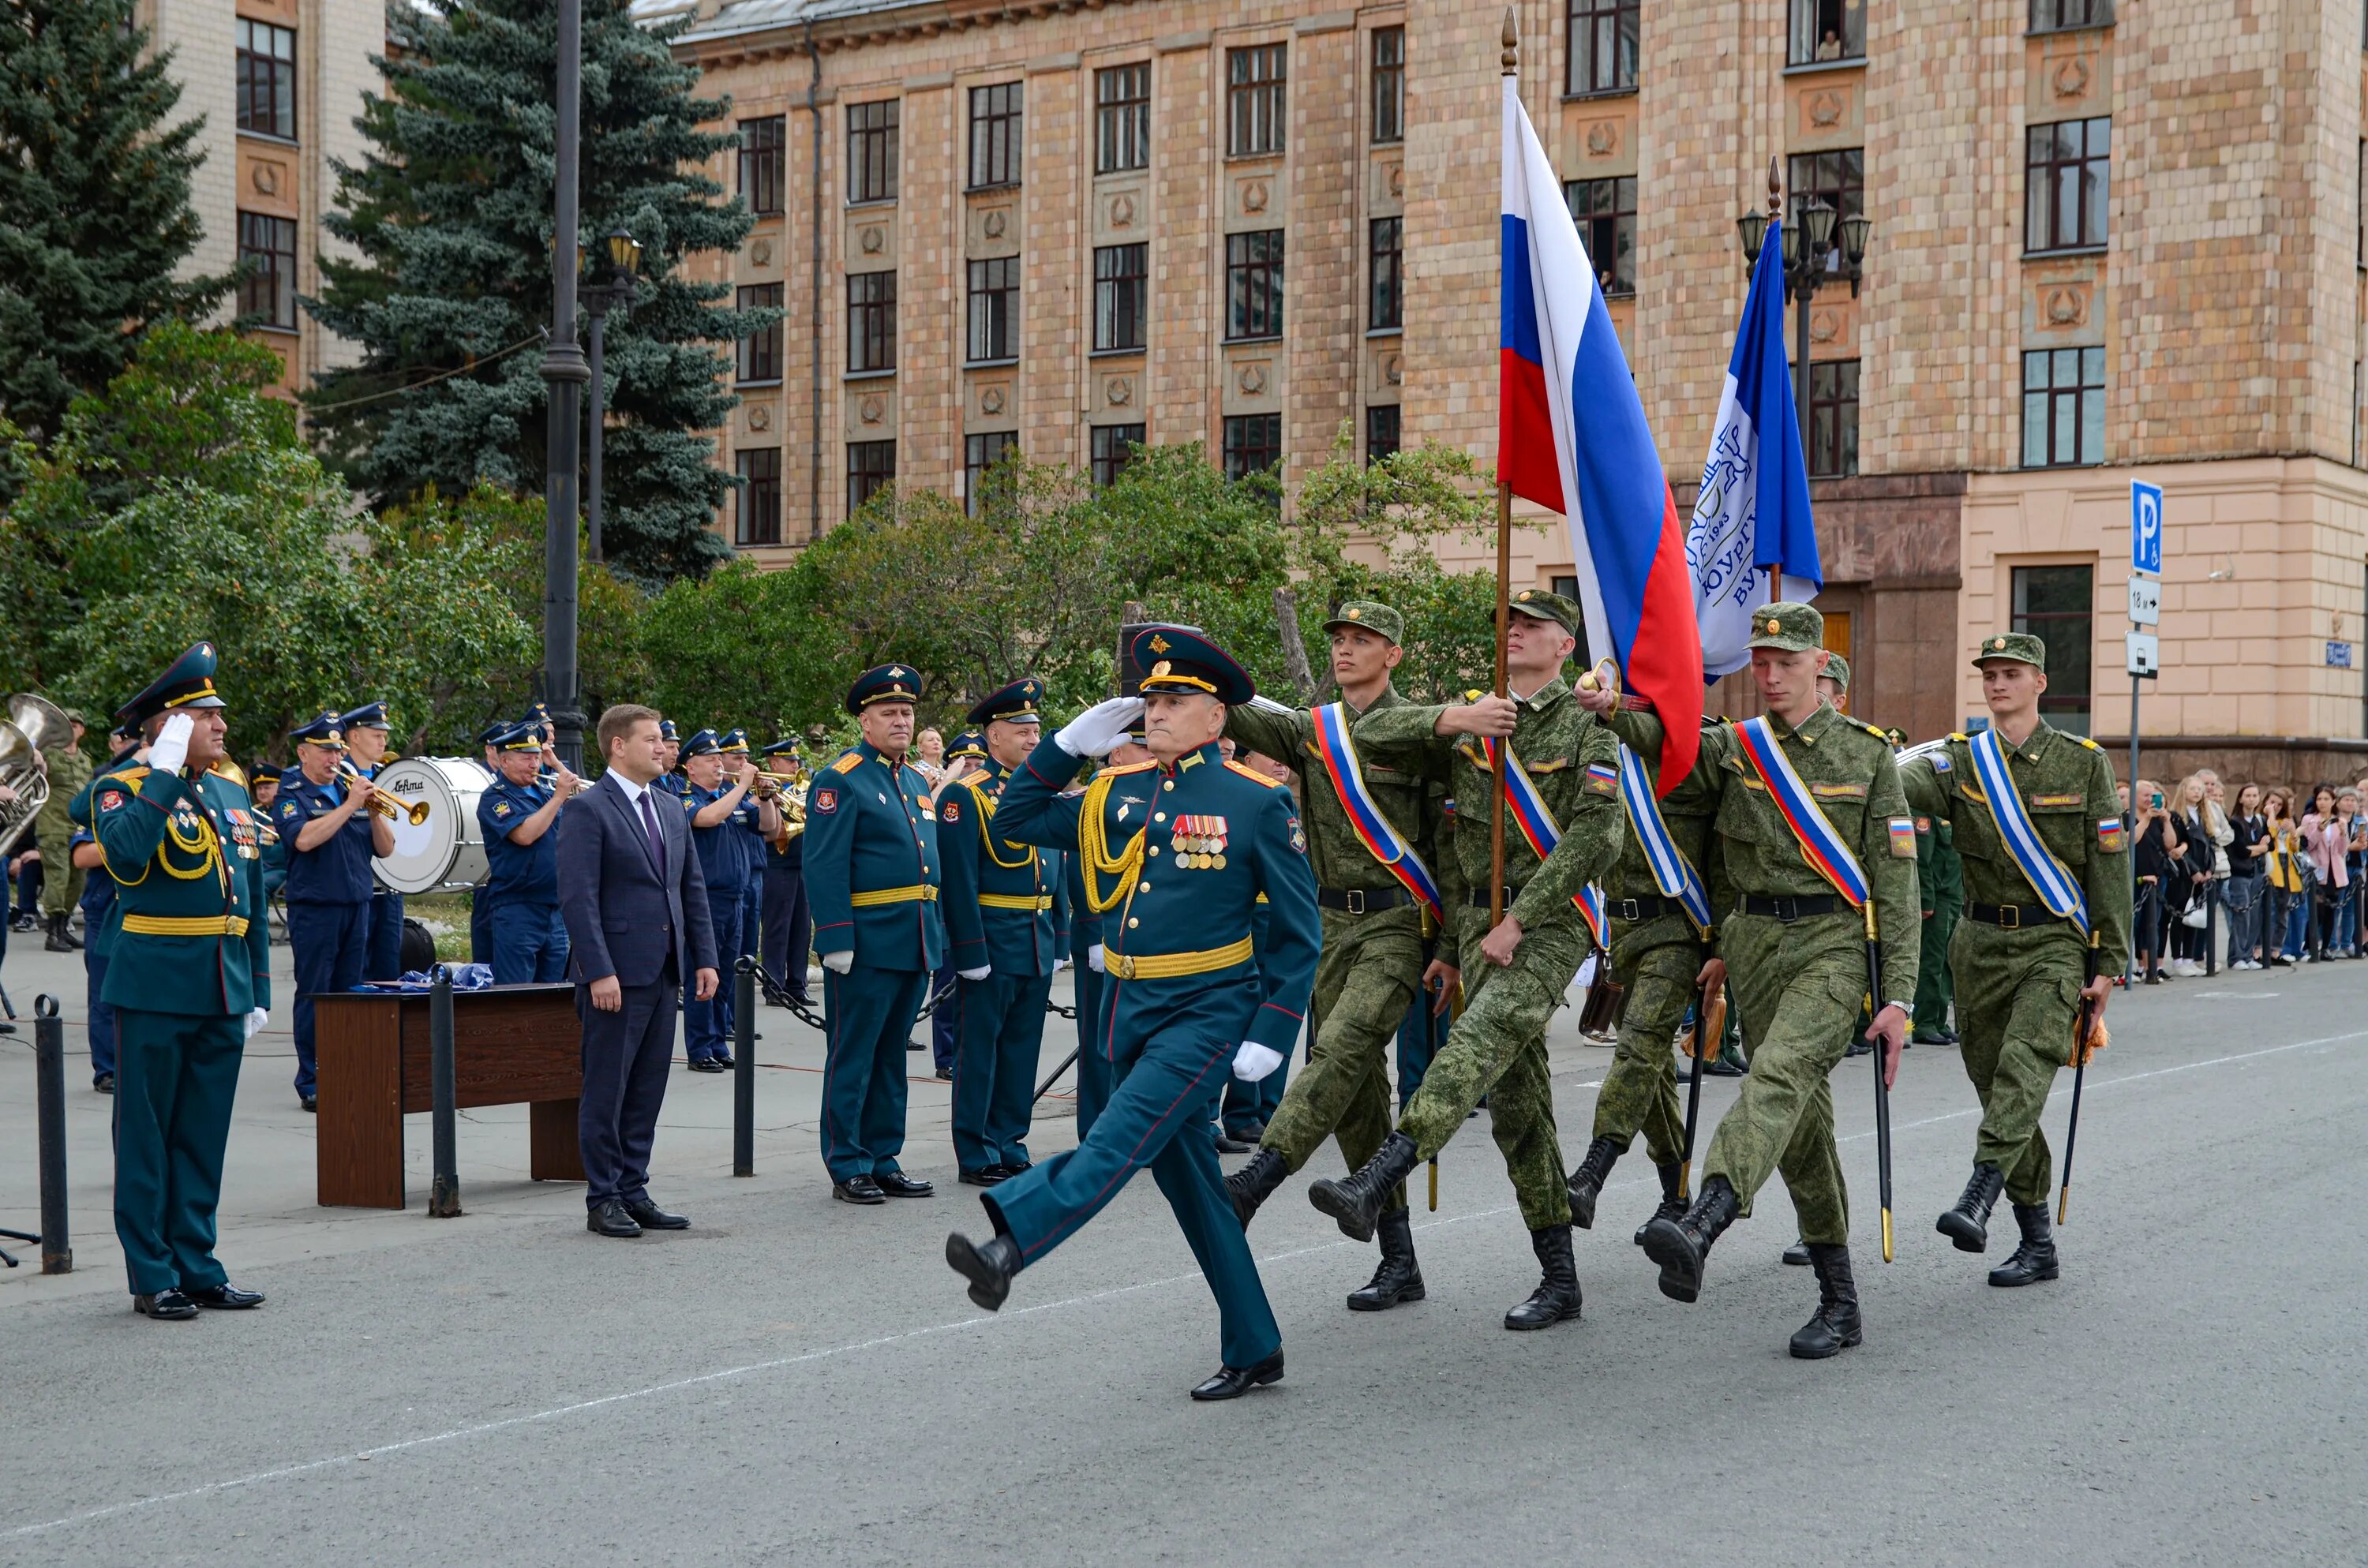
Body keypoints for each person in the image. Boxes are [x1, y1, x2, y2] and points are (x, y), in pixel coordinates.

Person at [943, 627, 1320, 1400]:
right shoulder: (1117, 791)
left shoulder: (1256, 803)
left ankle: (1009, 1248)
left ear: (1217, 718)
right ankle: (1256, 1345)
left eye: (1175, 700)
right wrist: (1065, 746)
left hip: (1209, 1014)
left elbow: (1297, 930)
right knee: (1199, 1198)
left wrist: (1272, 1030)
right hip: (1131, 1009)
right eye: (1149, 699)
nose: (1156, 711)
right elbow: (1013, 821)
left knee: (1114, 1141)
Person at [1313, 588, 1621, 1332]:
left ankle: (1380, 1173)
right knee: (1519, 1106)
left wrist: (1519, 919)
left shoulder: (1589, 728)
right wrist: (1453, 947)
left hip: (1547, 922)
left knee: (1474, 1046)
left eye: (1533, 625)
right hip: (1481, 926)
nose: (1515, 632)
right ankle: (1560, 1276)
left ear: (1565, 646)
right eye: (1509, 624)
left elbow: (1596, 839)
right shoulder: (1473, 723)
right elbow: (1453, 844)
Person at [1617, 603, 1919, 1360]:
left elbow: (1898, 883)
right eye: (1760, 661)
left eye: (1786, 661)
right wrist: (1613, 712)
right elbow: (1671, 745)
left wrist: (1899, 998)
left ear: (1822, 663)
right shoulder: (1736, 749)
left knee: (1776, 1078)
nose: (1771, 674)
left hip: (1833, 944)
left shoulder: (1868, 755)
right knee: (1802, 1129)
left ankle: (1705, 1216)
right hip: (1754, 944)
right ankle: (1840, 1301)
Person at [1219, 600, 1452, 1313]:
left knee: (1341, 1050)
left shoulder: (1423, 734)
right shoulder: (1312, 732)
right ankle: (1399, 1259)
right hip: (1330, 926)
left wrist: (1447, 947)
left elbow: (1448, 846)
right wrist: (1182, 667)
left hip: (1394, 925)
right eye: (1341, 640)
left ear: (1395, 655)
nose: (1346, 650)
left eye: (1363, 640)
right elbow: (1229, 708)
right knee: (1356, 1096)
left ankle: (1255, 1179)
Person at [1898, 632, 2129, 1287]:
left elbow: (2110, 869)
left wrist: (2107, 962)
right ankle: (2037, 1241)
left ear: (2039, 683)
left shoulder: (2082, 764)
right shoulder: (1961, 761)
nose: (1998, 683)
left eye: (2011, 673)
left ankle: (1980, 1192)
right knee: (1998, 1089)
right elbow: (1901, 787)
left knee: (2026, 1067)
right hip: (1976, 945)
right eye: (1990, 674)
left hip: (2053, 942)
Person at [86, 643, 272, 1319]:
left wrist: (257, 986)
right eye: (204, 713)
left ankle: (198, 1263)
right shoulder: (123, 789)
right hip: (155, 985)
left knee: (201, 1133)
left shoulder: (228, 787)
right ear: (167, 727)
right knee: (146, 1134)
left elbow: (246, 889)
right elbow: (128, 858)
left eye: (219, 712)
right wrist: (159, 774)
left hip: (222, 986)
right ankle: (151, 1271)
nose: (221, 723)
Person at [554, 703, 719, 1238]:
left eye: (661, 739)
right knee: (608, 1088)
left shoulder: (671, 808)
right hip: (615, 977)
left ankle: (633, 1188)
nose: (661, 747)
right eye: (650, 739)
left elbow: (691, 887)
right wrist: (599, 969)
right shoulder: (589, 809)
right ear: (618, 746)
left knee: (647, 1087)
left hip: (664, 969)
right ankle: (602, 1197)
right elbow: (578, 897)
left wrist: (706, 957)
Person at [1562, 692, 1719, 1253]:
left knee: (1637, 1048)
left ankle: (1590, 1175)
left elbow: (1723, 853)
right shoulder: (1601, 747)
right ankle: (1676, 1196)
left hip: (1678, 929)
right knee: (1651, 1075)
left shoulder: (1694, 749)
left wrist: (1720, 943)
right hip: (1624, 930)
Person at [806, 664, 945, 1203]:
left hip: (913, 938)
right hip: (866, 940)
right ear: (864, 721)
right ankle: (848, 1161)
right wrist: (836, 935)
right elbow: (823, 864)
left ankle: (884, 1156)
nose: (900, 721)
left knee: (891, 1057)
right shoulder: (839, 778)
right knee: (854, 1053)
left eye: (907, 712)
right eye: (888, 712)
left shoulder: (914, 780)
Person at [939, 678, 1064, 1186]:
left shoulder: (1040, 792)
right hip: (992, 937)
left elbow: (1059, 871)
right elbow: (959, 878)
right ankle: (977, 1150)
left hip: (1035, 937)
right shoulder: (965, 796)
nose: (1034, 738)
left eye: (1037, 728)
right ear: (993, 736)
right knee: (981, 1051)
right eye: (1021, 729)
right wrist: (969, 949)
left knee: (1021, 1051)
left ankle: (1010, 1140)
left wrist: (1060, 934)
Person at [273, 710, 392, 1110]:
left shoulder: (348, 790)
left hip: (358, 905)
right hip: (316, 909)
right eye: (325, 750)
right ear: (303, 753)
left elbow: (387, 848)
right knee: (315, 994)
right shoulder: (292, 793)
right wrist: (351, 805)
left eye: (337, 749)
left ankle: (346, 1072)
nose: (333, 757)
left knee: (350, 996)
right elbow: (304, 840)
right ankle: (311, 1079)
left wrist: (373, 809)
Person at [678, 727, 775, 1069]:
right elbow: (709, 818)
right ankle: (699, 1048)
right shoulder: (689, 799)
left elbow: (769, 828)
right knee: (701, 977)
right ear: (691, 767)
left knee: (724, 977)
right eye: (710, 760)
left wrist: (764, 799)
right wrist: (743, 788)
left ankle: (718, 1042)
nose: (719, 765)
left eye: (720, 759)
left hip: (737, 897)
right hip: (706, 901)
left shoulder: (731, 798)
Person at [1218, 747, 1298, 1151]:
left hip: (1282, 920)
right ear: (1246, 763)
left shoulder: (1285, 803)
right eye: (1270, 756)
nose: (1280, 763)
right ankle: (1241, 1112)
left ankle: (1270, 1108)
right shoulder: (1245, 800)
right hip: (1249, 919)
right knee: (1247, 1014)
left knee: (1280, 1011)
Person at [475, 720, 580, 983]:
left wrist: (558, 770)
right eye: (526, 758)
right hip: (517, 908)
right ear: (505, 762)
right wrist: (558, 798)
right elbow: (524, 835)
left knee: (553, 993)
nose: (534, 765)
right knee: (517, 994)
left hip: (554, 909)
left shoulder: (544, 792)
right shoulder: (495, 798)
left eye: (536, 757)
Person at [340, 702, 406, 980]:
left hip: (390, 887)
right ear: (355, 736)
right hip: (356, 885)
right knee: (355, 973)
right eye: (376, 735)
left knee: (388, 971)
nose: (384, 741)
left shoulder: (387, 774)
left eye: (384, 735)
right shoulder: (339, 773)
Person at [31, 707, 92, 952]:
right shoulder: (48, 754)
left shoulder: (85, 759)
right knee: (58, 877)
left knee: (77, 880)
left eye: (76, 725)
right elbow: (33, 772)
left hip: (78, 828)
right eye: (69, 724)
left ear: (82, 731)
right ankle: (52, 933)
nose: (72, 728)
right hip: (53, 824)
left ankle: (64, 927)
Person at [757, 738, 813, 1005]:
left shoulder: (802, 788)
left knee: (802, 929)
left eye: (796, 762)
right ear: (774, 763)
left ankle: (797, 985)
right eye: (789, 762)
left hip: (803, 864)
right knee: (778, 928)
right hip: (776, 865)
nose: (794, 766)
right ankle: (774, 985)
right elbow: (769, 829)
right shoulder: (763, 788)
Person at [2300, 784, 2348, 960]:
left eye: (2326, 799)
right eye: (2319, 799)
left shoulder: (2340, 821)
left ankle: (2327, 947)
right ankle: (2308, 945)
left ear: (2333, 801)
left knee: (2331, 912)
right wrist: (2319, 831)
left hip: (2335, 872)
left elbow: (2342, 850)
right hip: (2317, 870)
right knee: (2317, 911)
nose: (2322, 803)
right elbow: (2308, 845)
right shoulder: (2309, 820)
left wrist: (2343, 834)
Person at [2224, 784, 2269, 969]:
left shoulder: (2260, 820)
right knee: (2242, 914)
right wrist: (2261, 847)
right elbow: (2241, 850)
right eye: (2247, 795)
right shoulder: (2235, 821)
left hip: (2258, 870)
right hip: (2240, 872)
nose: (2251, 799)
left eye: (2255, 795)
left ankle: (2249, 954)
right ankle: (2237, 956)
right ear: (2241, 799)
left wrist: (2258, 848)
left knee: (2256, 915)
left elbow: (2271, 844)